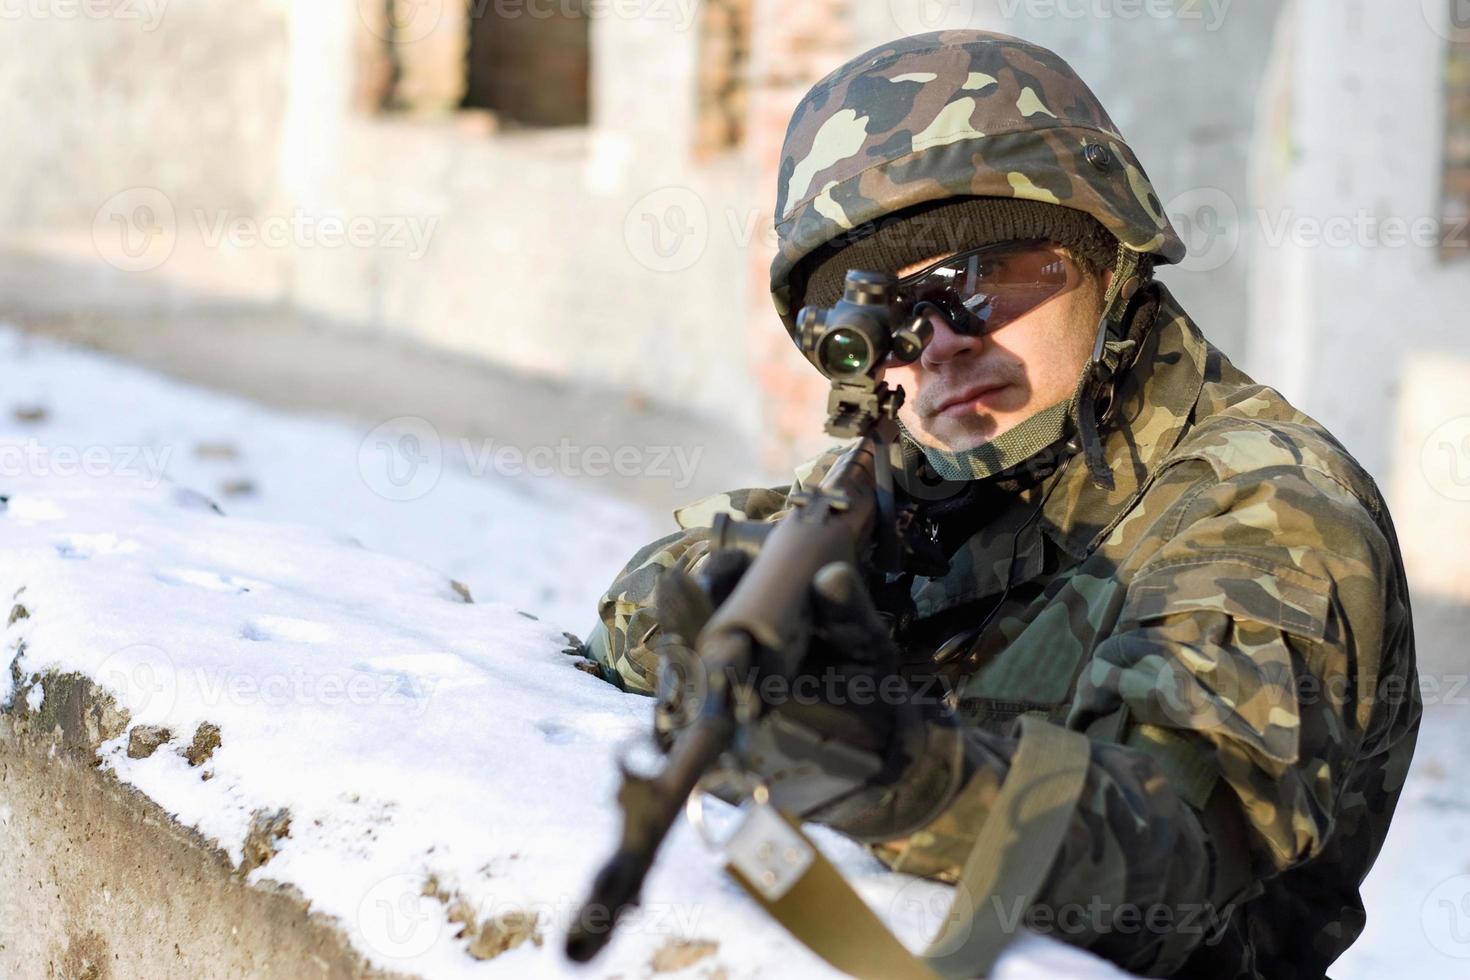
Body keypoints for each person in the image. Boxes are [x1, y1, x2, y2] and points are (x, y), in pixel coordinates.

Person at [581, 30, 1419, 979]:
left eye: (986, 280)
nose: (936, 348)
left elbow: (1177, 854)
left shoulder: (1274, 512)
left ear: (1108, 254)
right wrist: (724, 620)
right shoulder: (924, 477)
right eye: (885, 323)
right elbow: (657, 586)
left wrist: (897, 766)